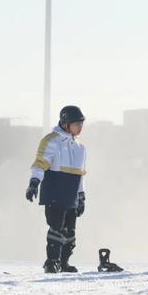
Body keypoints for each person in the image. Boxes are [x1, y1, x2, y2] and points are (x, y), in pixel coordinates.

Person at [25, 106, 87, 273]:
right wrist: (34, 182)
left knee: (70, 233)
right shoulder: (51, 140)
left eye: (82, 124)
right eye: (76, 124)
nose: (80, 128)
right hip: (55, 191)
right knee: (56, 228)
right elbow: (40, 163)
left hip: (71, 194)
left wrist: (81, 196)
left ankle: (64, 262)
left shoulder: (81, 148)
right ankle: (52, 261)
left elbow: (80, 175)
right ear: (65, 123)